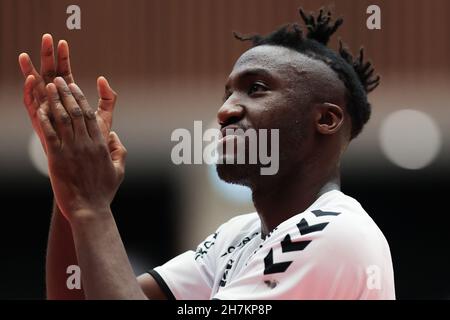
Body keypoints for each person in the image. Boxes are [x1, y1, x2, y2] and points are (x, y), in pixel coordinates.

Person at [19, 8, 395, 300]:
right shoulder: (239, 237)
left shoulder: (332, 231)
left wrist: (90, 205)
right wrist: (69, 182)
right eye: (227, 93)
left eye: (257, 88)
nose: (226, 109)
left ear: (326, 119)